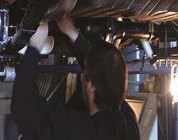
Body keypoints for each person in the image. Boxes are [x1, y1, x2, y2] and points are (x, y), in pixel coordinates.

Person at [11, 17, 140, 140]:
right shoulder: (127, 125)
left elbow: (24, 106)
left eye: (84, 76)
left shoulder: (75, 132)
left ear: (91, 88)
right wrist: (74, 35)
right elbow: (105, 73)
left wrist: (34, 47)